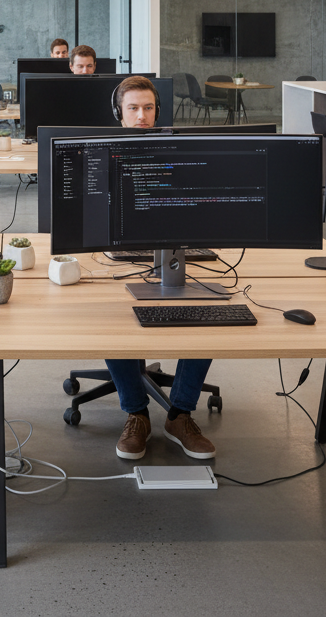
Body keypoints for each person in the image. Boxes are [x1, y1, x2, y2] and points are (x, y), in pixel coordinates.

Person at [105, 75, 216, 464]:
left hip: (177, 248)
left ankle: (180, 414)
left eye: (148, 108)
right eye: (133, 108)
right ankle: (136, 413)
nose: (141, 116)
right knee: (109, 317)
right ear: (119, 113)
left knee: (208, 311)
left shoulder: (179, 148)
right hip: (119, 253)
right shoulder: (101, 152)